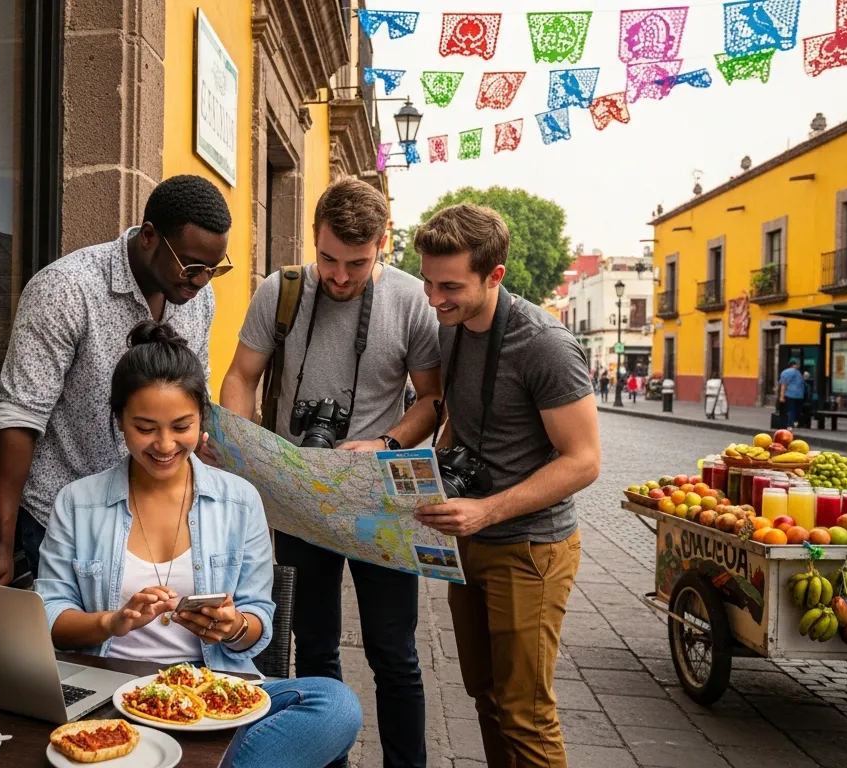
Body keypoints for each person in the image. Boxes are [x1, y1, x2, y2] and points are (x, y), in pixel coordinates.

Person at [36, 321, 362, 768]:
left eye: (181, 426)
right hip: (109, 694)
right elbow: (50, 616)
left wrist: (231, 626)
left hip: (214, 693)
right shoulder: (77, 502)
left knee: (336, 705)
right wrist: (112, 622)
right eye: (145, 427)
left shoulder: (238, 499)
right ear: (119, 421)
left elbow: (257, 620)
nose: (165, 445)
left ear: (202, 421)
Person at [218, 179, 441, 768]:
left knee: (394, 653)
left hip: (378, 496)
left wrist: (386, 444)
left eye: (357, 264)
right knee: (312, 645)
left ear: (383, 244)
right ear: (312, 240)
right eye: (328, 260)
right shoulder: (281, 291)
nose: (340, 277)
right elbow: (241, 376)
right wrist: (244, 450)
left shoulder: (413, 299)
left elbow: (432, 401)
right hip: (298, 492)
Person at [0, 175, 233, 586]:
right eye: (192, 267)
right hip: (64, 520)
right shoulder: (66, 289)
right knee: (79, 645)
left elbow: (197, 391)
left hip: (153, 517)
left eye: (213, 269)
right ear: (150, 237)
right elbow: (20, 416)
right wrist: (0, 542)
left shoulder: (197, 296)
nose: (201, 281)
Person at [411, 203, 601, 768]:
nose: (433, 298)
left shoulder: (545, 344)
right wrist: (425, 471)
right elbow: (460, 419)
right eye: (427, 280)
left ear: (495, 276)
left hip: (530, 549)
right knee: (486, 697)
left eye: (449, 286)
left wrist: (486, 511)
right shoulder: (453, 326)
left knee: (525, 713)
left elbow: (585, 460)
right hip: (470, 542)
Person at [778, 359, 805, 429]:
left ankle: (790, 424)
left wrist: (781, 396)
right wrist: (782, 396)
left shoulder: (786, 372)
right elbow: (784, 384)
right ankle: (793, 423)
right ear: (794, 365)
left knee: (791, 409)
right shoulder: (798, 373)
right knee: (795, 410)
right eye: (797, 364)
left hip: (790, 394)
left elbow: (783, 384)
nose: (798, 366)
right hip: (799, 395)